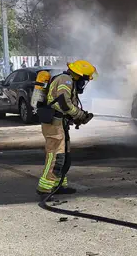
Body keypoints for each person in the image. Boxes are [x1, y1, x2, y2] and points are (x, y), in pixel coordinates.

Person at [36, 60, 96, 197]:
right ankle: (44, 188)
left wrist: (79, 118)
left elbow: (65, 106)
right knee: (56, 156)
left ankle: (59, 185)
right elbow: (63, 103)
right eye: (85, 80)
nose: (84, 84)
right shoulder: (66, 81)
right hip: (54, 124)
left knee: (64, 156)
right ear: (79, 76)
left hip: (59, 124)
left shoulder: (68, 81)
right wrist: (80, 115)